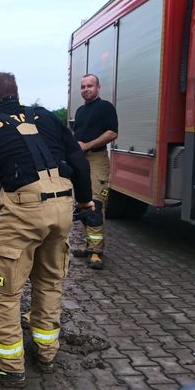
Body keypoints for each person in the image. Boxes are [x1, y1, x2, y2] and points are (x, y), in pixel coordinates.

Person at [0, 72, 93, 387]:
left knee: (2, 292)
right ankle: (46, 354)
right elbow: (77, 157)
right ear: (16, 93)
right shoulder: (44, 116)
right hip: (63, 206)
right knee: (49, 283)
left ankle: (9, 368)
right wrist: (86, 201)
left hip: (24, 211)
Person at [72, 74, 118, 270]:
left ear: (98, 87)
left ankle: (97, 252)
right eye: (83, 86)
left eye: (90, 86)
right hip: (81, 162)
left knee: (95, 205)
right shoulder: (80, 111)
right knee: (83, 205)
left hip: (97, 159)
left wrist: (87, 145)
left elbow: (112, 133)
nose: (86, 89)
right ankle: (88, 246)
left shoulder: (105, 107)